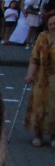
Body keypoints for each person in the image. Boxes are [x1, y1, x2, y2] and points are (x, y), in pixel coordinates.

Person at [25, 14, 55, 146]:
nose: (53, 26)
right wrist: (30, 74)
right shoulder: (42, 37)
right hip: (41, 77)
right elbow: (35, 58)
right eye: (51, 24)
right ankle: (37, 134)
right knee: (39, 104)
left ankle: (53, 135)